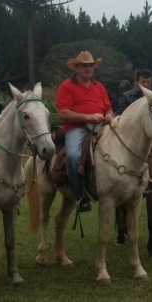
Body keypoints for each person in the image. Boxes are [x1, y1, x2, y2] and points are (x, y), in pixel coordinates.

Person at [56, 51, 114, 213]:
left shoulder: (99, 86)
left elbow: (108, 107)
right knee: (74, 155)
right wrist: (87, 117)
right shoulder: (67, 86)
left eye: (90, 65)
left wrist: (109, 115)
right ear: (77, 68)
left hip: (102, 126)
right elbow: (63, 113)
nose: (88, 69)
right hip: (77, 128)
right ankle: (80, 194)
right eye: (84, 66)